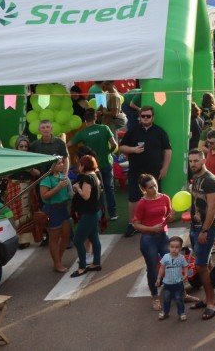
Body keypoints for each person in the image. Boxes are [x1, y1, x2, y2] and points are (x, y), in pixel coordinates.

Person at [119, 106, 172, 238]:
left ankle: (157, 222)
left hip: (154, 172)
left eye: (148, 116)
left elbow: (167, 150)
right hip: (136, 171)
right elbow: (121, 147)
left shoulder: (160, 131)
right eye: (143, 116)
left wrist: (165, 168)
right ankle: (132, 224)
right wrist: (133, 150)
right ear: (139, 117)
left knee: (155, 196)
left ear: (152, 117)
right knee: (133, 197)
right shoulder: (133, 131)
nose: (146, 118)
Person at [132, 174, 174, 312]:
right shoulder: (142, 203)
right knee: (152, 268)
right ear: (143, 189)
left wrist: (170, 217)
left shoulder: (165, 198)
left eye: (155, 185)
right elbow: (136, 224)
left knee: (171, 263)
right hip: (148, 239)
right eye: (150, 187)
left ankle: (178, 291)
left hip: (163, 236)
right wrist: (151, 228)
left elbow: (167, 216)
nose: (154, 189)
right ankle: (155, 297)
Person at [187, 149, 215, 320]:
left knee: (200, 266)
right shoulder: (196, 178)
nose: (193, 164)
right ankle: (208, 298)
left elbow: (213, 208)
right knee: (206, 264)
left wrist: (204, 230)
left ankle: (212, 304)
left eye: (196, 161)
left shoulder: (210, 181)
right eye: (191, 161)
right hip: (195, 227)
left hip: (206, 230)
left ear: (204, 160)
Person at [68, 108, 118, 221]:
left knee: (98, 190)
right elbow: (114, 144)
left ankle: (100, 216)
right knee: (109, 188)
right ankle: (113, 214)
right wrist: (109, 152)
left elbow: (69, 144)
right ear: (96, 117)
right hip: (107, 162)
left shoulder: (82, 133)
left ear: (85, 119)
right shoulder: (105, 128)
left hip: (93, 167)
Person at [70, 155, 102, 278]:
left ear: (84, 165)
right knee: (94, 238)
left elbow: (86, 196)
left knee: (78, 240)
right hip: (95, 212)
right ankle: (96, 263)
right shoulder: (95, 175)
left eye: (80, 164)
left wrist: (77, 187)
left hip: (89, 214)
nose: (78, 167)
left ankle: (82, 267)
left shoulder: (87, 178)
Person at [39, 159, 72, 273]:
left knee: (66, 236)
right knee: (54, 238)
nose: (62, 164)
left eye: (62, 162)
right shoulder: (46, 179)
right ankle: (57, 264)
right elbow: (44, 196)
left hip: (63, 208)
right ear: (51, 166)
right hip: (52, 210)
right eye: (59, 163)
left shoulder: (62, 176)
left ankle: (58, 259)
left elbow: (69, 194)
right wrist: (58, 187)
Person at [156, 236, 188, 322]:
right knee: (166, 298)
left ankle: (181, 313)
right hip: (167, 284)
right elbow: (161, 268)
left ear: (180, 248)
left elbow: (185, 266)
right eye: (172, 247)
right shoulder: (165, 257)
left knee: (179, 299)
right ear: (168, 247)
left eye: (177, 247)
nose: (174, 249)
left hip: (178, 283)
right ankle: (166, 312)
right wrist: (159, 278)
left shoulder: (181, 258)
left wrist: (185, 274)